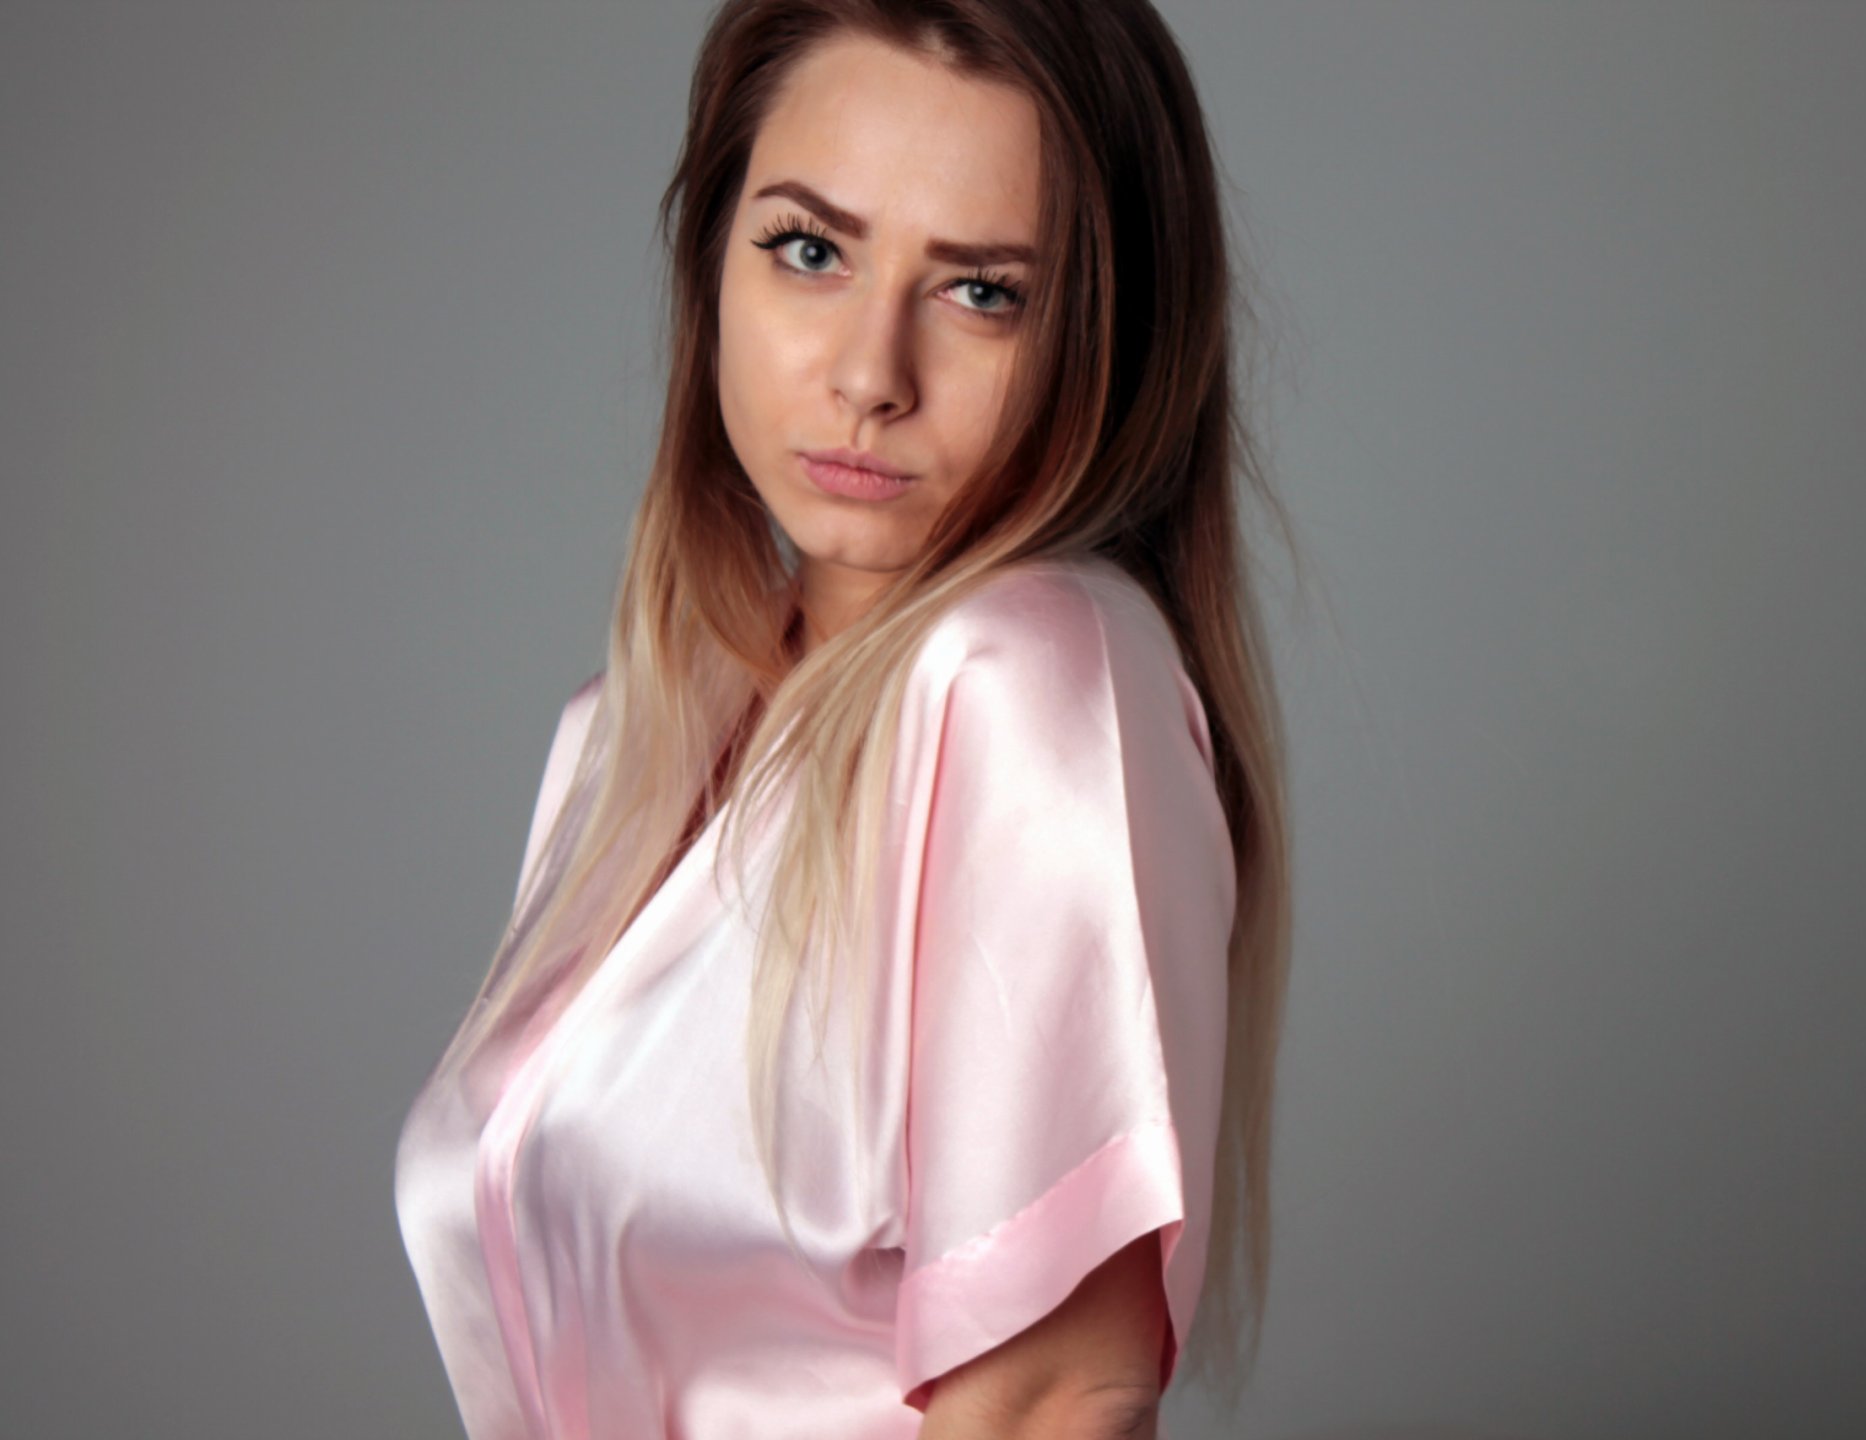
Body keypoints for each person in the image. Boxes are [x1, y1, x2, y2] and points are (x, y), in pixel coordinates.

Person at [392, 1, 1293, 1435]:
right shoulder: (625, 743)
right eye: (811, 250)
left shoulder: (1035, 680)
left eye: (982, 291)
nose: (872, 376)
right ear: (712, 259)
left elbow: (1049, 1398)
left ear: (1108, 345)